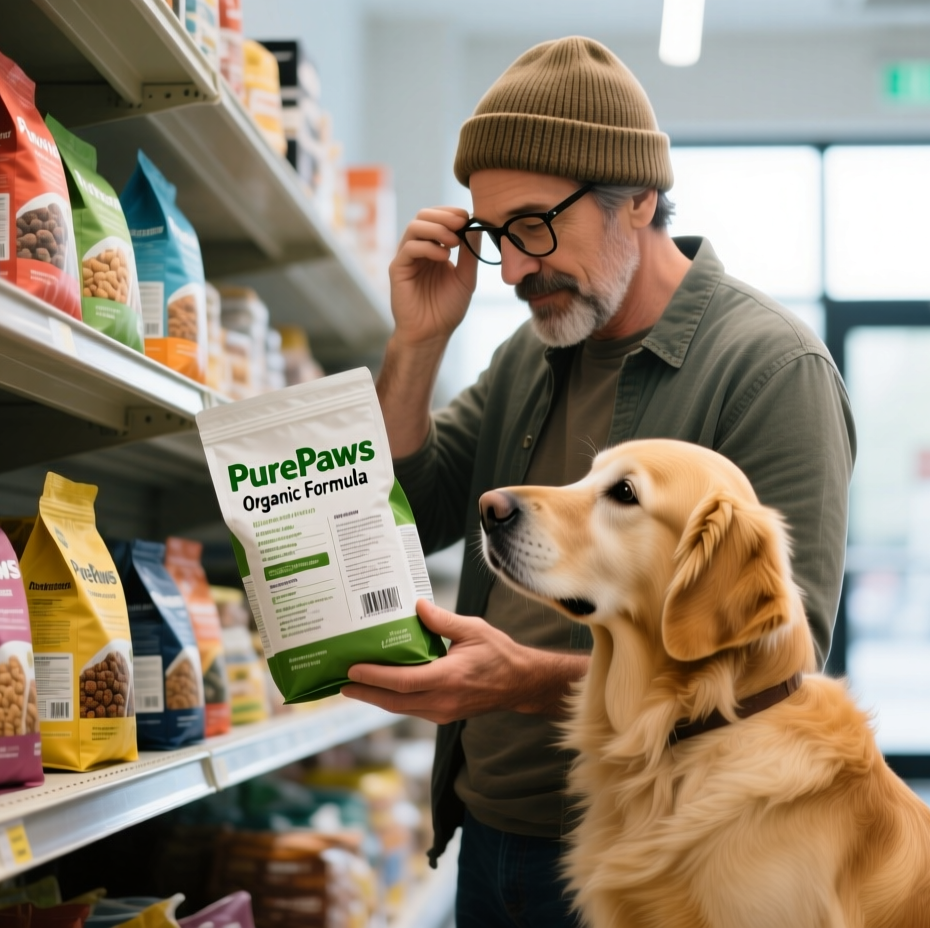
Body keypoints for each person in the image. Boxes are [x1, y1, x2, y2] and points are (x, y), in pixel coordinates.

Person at [340, 36, 855, 928]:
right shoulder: (532, 353)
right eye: (495, 237)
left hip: (658, 855)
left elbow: (776, 668)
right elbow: (406, 514)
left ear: (639, 198)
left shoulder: (770, 370)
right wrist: (417, 343)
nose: (513, 269)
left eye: (535, 226)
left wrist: (521, 680)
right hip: (489, 829)